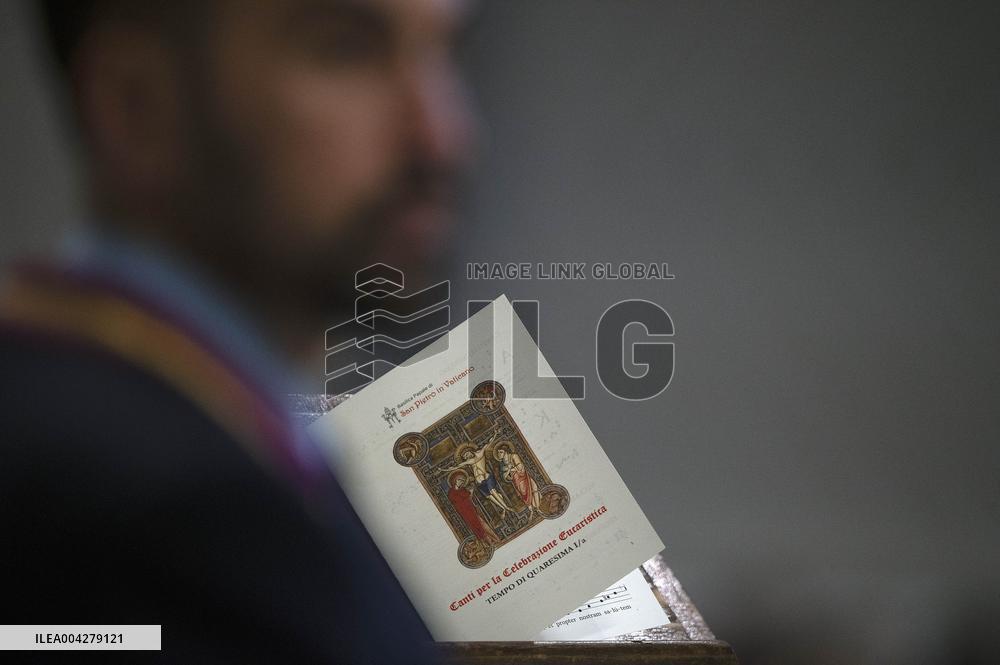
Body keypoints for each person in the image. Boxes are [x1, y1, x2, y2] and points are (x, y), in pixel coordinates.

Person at [0, 0, 475, 661]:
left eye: (443, 53)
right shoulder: (166, 513)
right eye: (345, 51)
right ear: (136, 102)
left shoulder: (184, 422)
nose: (442, 135)